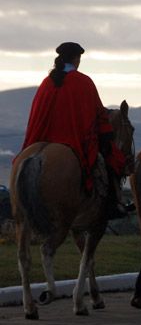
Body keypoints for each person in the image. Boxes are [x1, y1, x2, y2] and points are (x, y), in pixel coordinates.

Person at [19, 42, 128, 218]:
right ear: (76, 59)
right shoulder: (83, 82)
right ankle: (114, 205)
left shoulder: (47, 82)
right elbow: (97, 113)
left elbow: (36, 117)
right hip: (74, 140)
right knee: (106, 162)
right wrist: (106, 133)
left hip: (42, 139)